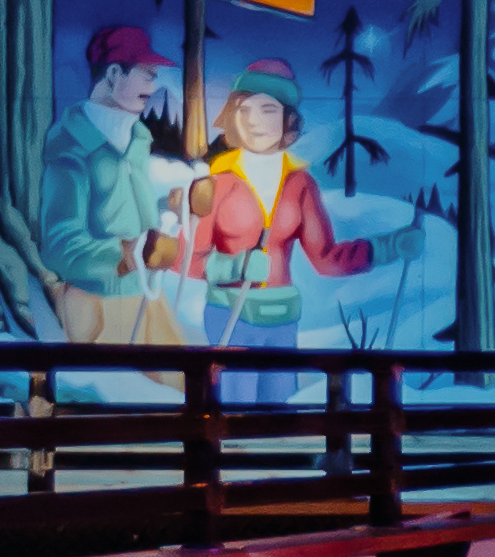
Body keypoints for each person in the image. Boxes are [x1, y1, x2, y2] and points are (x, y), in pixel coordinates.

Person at [149, 53, 374, 349]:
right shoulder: (217, 183)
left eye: (267, 109)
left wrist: (382, 249)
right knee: (235, 394)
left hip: (283, 318)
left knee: (279, 396)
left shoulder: (300, 183)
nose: (254, 121)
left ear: (288, 120)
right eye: (244, 110)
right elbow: (186, 259)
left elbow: (325, 259)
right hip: (229, 315)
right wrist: (233, 268)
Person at [39, 22, 190, 347]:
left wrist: (170, 210)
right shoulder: (71, 145)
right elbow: (58, 245)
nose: (153, 85)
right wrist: (125, 255)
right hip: (95, 310)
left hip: (148, 302)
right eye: (147, 74)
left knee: (182, 391)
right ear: (112, 75)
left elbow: (130, 216)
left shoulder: (137, 138)